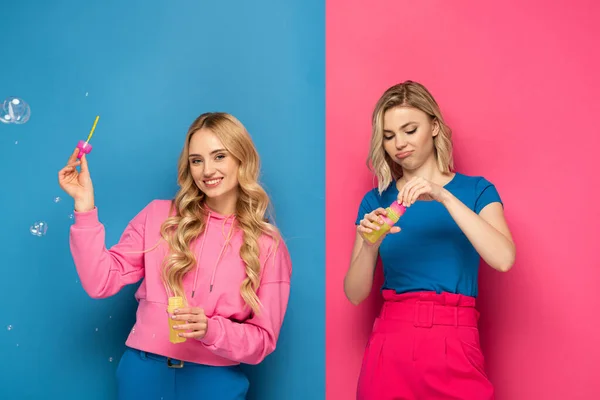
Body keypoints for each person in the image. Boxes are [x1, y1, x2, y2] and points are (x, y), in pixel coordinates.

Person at [58, 112, 292, 400]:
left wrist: (211, 329)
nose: (207, 170)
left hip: (214, 383)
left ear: (241, 158)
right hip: (142, 376)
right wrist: (84, 207)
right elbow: (100, 281)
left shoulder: (268, 243)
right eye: (197, 160)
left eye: (219, 156)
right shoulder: (159, 216)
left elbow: (263, 340)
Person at [344, 81, 515, 400]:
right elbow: (354, 294)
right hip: (391, 342)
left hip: (456, 339)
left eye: (410, 130)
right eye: (390, 136)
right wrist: (370, 244)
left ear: (434, 126)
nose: (399, 144)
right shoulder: (376, 202)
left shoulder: (476, 191)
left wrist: (443, 196)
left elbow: (503, 258)